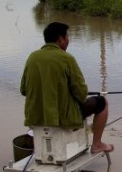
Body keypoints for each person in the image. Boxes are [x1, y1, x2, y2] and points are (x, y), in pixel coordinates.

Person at [21, 22, 113, 154]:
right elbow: (81, 94)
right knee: (102, 102)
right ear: (60, 39)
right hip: (62, 117)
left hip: (35, 116)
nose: (68, 41)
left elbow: (23, 90)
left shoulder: (32, 57)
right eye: (67, 37)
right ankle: (97, 144)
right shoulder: (67, 59)